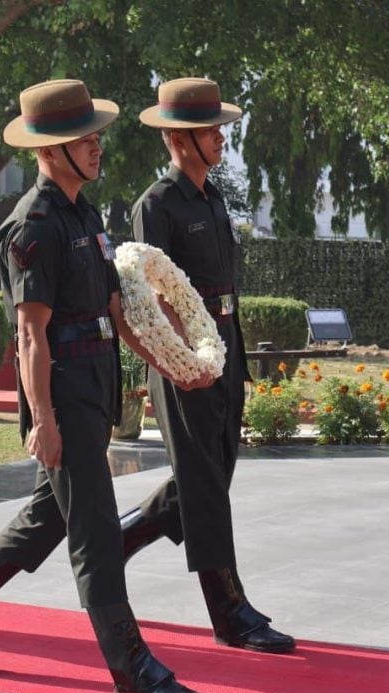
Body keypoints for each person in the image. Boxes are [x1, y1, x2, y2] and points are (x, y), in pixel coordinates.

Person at [0, 79, 207, 693]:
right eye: (84, 139)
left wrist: (171, 364)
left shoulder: (84, 213)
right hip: (64, 392)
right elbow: (30, 334)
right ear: (51, 150)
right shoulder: (34, 224)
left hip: (93, 385)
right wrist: (43, 419)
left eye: (97, 135)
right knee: (97, 530)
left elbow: (115, 309)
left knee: (51, 514)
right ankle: (131, 666)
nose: (97, 147)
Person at [119, 77, 295, 653]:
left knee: (211, 476)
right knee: (205, 486)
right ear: (180, 139)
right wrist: (178, 361)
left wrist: (228, 353)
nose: (221, 137)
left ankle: (109, 546)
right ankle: (230, 611)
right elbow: (151, 295)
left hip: (227, 347)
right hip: (184, 360)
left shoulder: (214, 197)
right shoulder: (157, 205)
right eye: (210, 129)